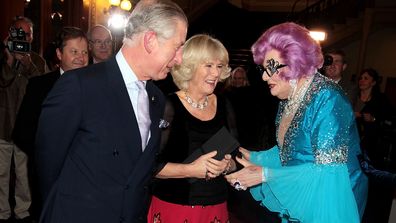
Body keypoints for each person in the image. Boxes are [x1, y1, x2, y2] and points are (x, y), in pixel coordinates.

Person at [34, 0, 188, 222]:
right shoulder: (79, 86)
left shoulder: (156, 97)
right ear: (150, 40)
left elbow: (139, 172)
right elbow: (48, 163)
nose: (179, 58)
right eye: (177, 46)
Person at [224, 22, 368, 222]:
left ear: (295, 63)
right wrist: (256, 157)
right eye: (263, 69)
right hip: (303, 191)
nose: (265, 77)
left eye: (271, 68)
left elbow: (328, 172)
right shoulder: (290, 98)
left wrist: (265, 175)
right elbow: (293, 152)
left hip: (331, 199)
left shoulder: (328, 98)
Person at [147, 34, 237, 222]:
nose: (215, 74)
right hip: (175, 208)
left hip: (216, 207)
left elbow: (236, 159)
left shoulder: (225, 105)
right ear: (190, 66)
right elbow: (149, 166)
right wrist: (190, 170)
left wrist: (227, 166)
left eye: (219, 66)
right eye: (209, 66)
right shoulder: (168, 106)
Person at [12, 26, 89, 221]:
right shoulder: (39, 86)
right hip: (47, 176)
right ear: (59, 54)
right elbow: (22, 131)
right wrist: (48, 155)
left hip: (86, 178)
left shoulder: (97, 87)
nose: (81, 57)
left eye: (84, 52)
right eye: (74, 52)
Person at [0, 16, 48, 223]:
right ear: (11, 33)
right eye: (19, 33)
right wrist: (9, 60)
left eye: (27, 34)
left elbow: (44, 86)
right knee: (0, 175)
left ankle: (22, 212)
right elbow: (3, 81)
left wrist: (27, 64)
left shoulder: (36, 60)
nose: (23, 37)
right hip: (2, 125)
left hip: (26, 128)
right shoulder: (2, 58)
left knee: (23, 174)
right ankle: (1, 212)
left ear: (33, 36)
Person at [353, 68, 395, 223]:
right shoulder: (353, 97)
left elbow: (390, 122)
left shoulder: (380, 100)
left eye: (366, 78)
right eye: (361, 78)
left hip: (372, 149)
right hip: (352, 145)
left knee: (370, 184)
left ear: (373, 82)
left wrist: (374, 119)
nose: (362, 80)